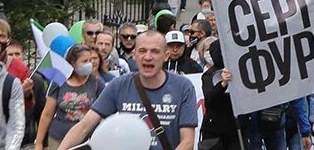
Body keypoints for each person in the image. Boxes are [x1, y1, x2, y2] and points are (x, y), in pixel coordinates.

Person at [58, 30, 200, 150]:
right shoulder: (119, 85)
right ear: (134, 55)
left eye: (155, 52)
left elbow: (187, 141)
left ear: (165, 56)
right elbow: (84, 126)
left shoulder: (183, 87)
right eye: (142, 51)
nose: (148, 57)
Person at [35, 43, 105, 150]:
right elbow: (47, 114)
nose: (89, 64)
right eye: (84, 61)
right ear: (73, 63)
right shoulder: (59, 81)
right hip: (58, 139)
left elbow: (102, 114)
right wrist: (39, 143)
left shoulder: (97, 83)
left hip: (86, 142)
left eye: (90, 60)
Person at [201, 40, 247, 150]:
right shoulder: (208, 75)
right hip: (214, 129)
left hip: (236, 126)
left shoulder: (240, 70)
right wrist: (222, 84)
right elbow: (210, 100)